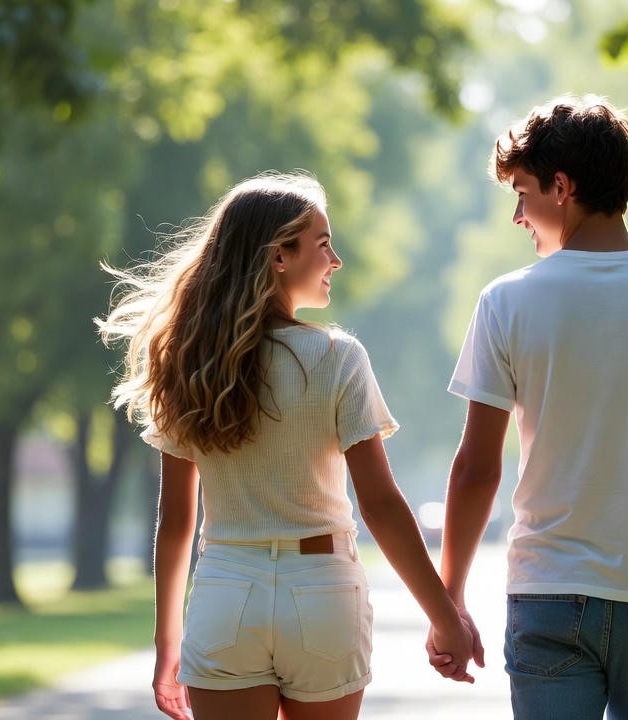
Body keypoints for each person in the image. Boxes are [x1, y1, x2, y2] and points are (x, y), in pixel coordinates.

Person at [428, 95, 628, 719]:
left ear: (562, 186)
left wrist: (451, 600)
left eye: (522, 194)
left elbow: (476, 466)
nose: (518, 216)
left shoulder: (506, 304)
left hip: (549, 593)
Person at [99, 172, 474, 720]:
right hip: (322, 595)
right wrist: (444, 616)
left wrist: (167, 646)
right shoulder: (338, 358)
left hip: (227, 594)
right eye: (324, 245)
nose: (335, 260)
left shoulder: (189, 363)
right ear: (280, 256)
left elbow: (176, 521)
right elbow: (381, 505)